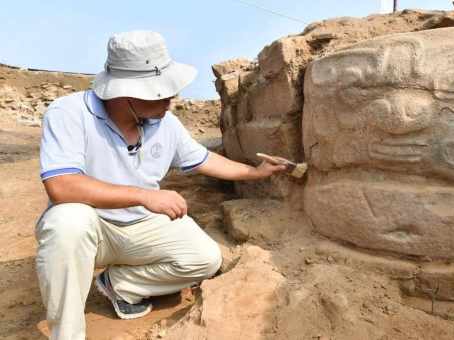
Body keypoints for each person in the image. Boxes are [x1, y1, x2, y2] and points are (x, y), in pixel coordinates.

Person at [35, 30, 285, 340]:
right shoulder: (69, 113)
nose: (171, 100)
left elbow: (205, 159)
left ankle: (120, 284)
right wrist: (143, 196)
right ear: (124, 94)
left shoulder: (165, 123)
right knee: (66, 222)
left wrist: (256, 173)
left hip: (141, 226)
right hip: (93, 228)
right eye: (160, 93)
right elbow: (62, 185)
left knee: (205, 259)